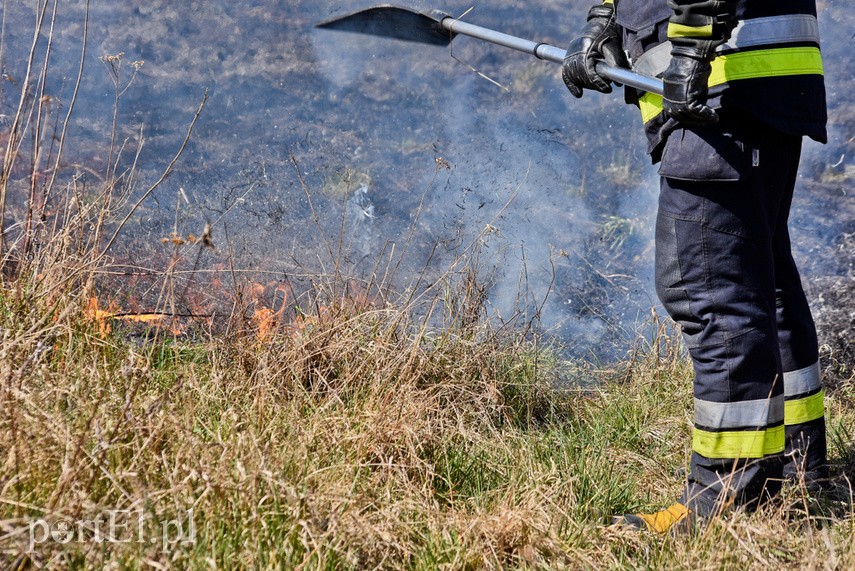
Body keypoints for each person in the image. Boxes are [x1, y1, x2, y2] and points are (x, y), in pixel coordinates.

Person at [562, 0, 829, 532]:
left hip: (718, 79)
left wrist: (692, 46)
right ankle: (797, 467)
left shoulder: (702, 52)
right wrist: (607, 17)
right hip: (757, 76)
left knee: (709, 289)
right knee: (762, 278)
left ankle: (726, 498)